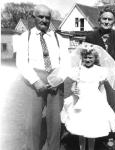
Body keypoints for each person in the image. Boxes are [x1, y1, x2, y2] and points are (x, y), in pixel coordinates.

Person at [16, 4, 70, 150]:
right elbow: (21, 62)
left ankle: (53, 147)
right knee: (32, 122)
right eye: (41, 16)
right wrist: (36, 81)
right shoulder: (24, 37)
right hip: (34, 79)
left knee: (54, 122)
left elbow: (66, 62)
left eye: (47, 17)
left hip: (55, 79)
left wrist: (58, 79)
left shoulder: (58, 38)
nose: (44, 20)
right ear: (34, 17)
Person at [61, 42, 115, 150]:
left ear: (95, 58)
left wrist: (104, 103)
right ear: (82, 58)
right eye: (85, 58)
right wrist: (73, 90)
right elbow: (73, 85)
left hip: (94, 100)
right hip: (80, 101)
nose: (88, 60)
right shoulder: (78, 70)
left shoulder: (100, 71)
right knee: (81, 128)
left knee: (92, 129)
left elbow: (102, 88)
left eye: (90, 57)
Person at [85, 6, 115, 147]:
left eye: (110, 19)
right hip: (95, 77)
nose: (106, 21)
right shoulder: (91, 36)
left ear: (114, 21)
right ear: (99, 20)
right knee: (95, 106)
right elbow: (84, 58)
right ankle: (96, 133)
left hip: (114, 76)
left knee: (112, 106)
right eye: (104, 18)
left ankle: (109, 135)